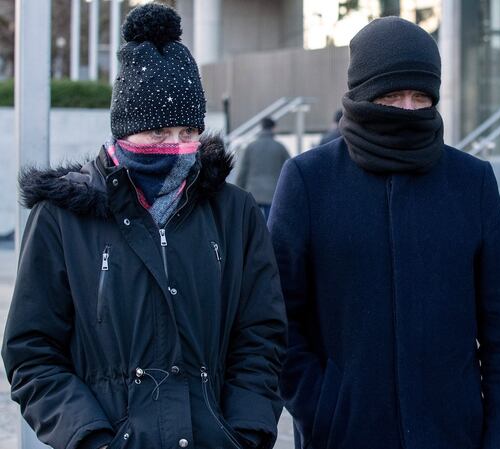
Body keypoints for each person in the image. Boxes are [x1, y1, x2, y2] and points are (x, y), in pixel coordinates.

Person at [2, 5, 287, 449]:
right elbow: (32, 353)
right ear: (124, 131)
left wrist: (244, 435)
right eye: (157, 135)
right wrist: (91, 439)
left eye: (187, 131)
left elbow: (261, 338)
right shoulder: (62, 218)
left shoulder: (234, 214)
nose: (175, 148)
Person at [269, 17, 500, 449]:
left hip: (454, 434)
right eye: (391, 96)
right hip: (342, 435)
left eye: (420, 97)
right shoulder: (307, 180)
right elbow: (276, 318)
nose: (408, 110)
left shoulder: (471, 181)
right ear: (362, 95)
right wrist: (323, 404)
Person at [234, 117, 291, 218]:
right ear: (273, 128)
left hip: (253, 193)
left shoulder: (251, 147)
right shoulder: (280, 147)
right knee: (270, 226)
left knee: (254, 227)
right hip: (273, 194)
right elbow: (290, 170)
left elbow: (243, 172)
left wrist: (238, 190)